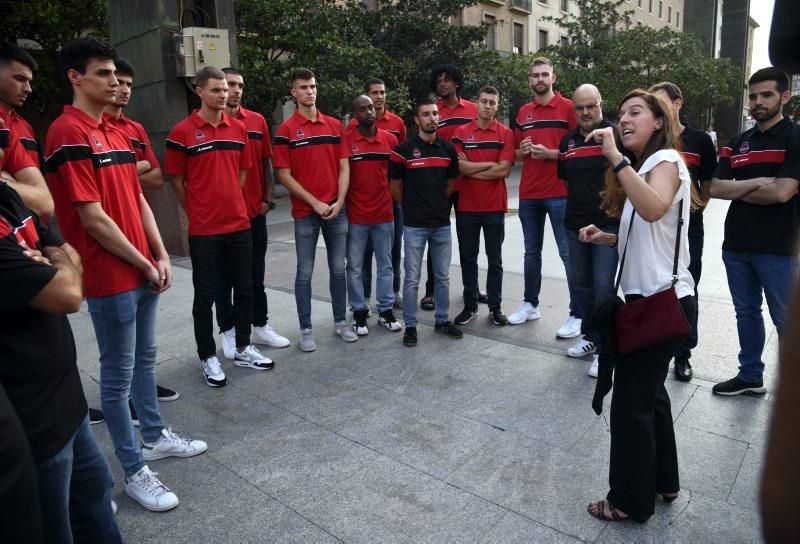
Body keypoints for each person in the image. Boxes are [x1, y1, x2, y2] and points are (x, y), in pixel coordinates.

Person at [48, 38, 205, 512]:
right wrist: (142, 261)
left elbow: (138, 199)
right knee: (116, 380)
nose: (115, 82)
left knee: (145, 361)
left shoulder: (115, 131)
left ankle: (154, 435)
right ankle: (135, 470)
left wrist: (159, 253)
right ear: (76, 77)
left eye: (116, 74)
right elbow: (91, 216)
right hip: (109, 274)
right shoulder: (67, 131)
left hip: (142, 268)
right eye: (103, 74)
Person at [581, 89, 695, 523]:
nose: (624, 120)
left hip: (660, 303)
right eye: (622, 113)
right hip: (650, 302)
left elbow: (652, 209)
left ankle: (629, 500)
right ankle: (665, 481)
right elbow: (652, 233)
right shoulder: (645, 167)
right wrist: (608, 236)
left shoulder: (664, 162)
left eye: (636, 113)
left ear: (659, 123)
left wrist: (615, 157)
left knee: (631, 406)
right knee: (653, 398)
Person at [166, 66, 274, 387]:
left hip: (239, 225)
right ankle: (207, 356)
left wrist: (232, 206)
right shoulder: (181, 133)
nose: (223, 94)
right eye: (216, 90)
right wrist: (196, 212)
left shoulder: (238, 129)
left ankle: (242, 346)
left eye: (225, 89)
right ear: (199, 91)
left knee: (245, 288)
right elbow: (176, 181)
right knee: (205, 297)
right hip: (204, 231)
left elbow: (241, 175)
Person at [709, 67, 800, 396]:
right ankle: (750, 376)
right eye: (753, 96)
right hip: (736, 245)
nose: (758, 102)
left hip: (778, 248)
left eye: (767, 95)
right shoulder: (738, 142)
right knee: (746, 313)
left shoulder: (795, 137)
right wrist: (758, 183)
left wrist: (739, 188)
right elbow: (714, 188)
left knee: (786, 319)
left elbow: (782, 193)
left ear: (784, 97)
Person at [104, 57, 181, 407]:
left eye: (127, 84)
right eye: (113, 80)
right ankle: (129, 401)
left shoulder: (133, 128)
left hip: (140, 228)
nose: (120, 89)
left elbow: (156, 176)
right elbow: (141, 171)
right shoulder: (86, 129)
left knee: (145, 341)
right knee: (119, 343)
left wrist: (120, 172)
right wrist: (137, 166)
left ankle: (144, 391)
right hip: (108, 241)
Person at [274, 68, 356, 351]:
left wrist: (340, 201)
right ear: (293, 93)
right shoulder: (286, 131)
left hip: (336, 209)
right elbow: (284, 175)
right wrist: (315, 202)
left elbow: (345, 166)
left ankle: (340, 323)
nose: (309, 91)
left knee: (338, 269)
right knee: (304, 272)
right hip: (306, 213)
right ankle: (306, 330)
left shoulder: (335, 126)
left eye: (312, 86)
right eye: (303, 87)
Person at [214, 67, 290, 359]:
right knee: (224, 278)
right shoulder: (211, 125)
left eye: (239, 85)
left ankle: (260, 324)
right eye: (229, 85)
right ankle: (229, 330)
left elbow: (265, 162)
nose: (235, 90)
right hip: (223, 218)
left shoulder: (256, 120)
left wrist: (268, 198)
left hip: (254, 213)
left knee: (255, 275)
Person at [649, 82, 717, 382]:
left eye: (660, 102)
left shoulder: (700, 140)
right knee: (657, 289)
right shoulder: (652, 139)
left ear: (678, 103)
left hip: (690, 229)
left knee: (687, 291)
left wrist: (694, 207)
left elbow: (709, 185)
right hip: (657, 228)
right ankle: (655, 348)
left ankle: (683, 355)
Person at [509, 57, 581, 339]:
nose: (540, 79)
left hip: (560, 193)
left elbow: (578, 148)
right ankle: (530, 304)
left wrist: (551, 154)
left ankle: (577, 313)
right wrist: (522, 150)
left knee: (568, 254)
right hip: (529, 194)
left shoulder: (568, 109)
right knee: (531, 253)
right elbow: (514, 154)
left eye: (544, 74)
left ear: (553, 77)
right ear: (530, 80)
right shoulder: (523, 111)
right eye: (535, 75)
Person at [0, 126, 44, 544]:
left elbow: (44, 211)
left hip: (52, 378)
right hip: (26, 389)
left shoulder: (8, 197)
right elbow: (64, 291)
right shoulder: (69, 129)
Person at [390, 98, 463, 347]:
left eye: (435, 113)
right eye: (426, 114)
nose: (432, 118)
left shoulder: (448, 149)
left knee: (442, 277)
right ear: (417, 120)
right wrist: (412, 207)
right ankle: (411, 326)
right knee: (411, 278)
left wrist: (439, 204)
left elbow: (452, 183)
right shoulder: (402, 151)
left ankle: (442, 320)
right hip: (415, 225)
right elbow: (395, 187)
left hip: (441, 223)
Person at [558, 84, 619, 377]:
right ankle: (591, 338)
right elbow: (568, 182)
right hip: (575, 225)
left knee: (604, 288)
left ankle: (607, 347)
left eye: (590, 106)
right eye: (579, 108)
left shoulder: (616, 135)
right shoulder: (567, 141)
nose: (585, 112)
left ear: (600, 104)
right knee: (582, 287)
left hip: (607, 225)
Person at [451, 85, 514, 327]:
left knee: (495, 260)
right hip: (466, 206)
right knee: (468, 258)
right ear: (476, 103)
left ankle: (496, 307)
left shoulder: (505, 134)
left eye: (492, 102)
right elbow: (460, 168)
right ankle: (470, 306)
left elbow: (505, 170)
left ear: (497, 106)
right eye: (484, 101)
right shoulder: (461, 132)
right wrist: (491, 165)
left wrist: (474, 168)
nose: (488, 106)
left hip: (494, 207)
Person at [420, 64, 480, 311]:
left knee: (470, 241)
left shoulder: (474, 110)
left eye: (446, 80)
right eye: (438, 81)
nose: (441, 84)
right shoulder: (434, 112)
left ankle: (473, 288)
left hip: (469, 185)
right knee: (435, 238)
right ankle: (431, 290)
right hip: (440, 185)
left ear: (456, 83)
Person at [342, 95, 402, 335]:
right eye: (362, 109)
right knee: (354, 268)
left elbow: (395, 177)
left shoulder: (389, 140)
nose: (369, 112)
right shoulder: (347, 140)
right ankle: (359, 312)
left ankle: (385, 311)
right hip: (356, 217)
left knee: (386, 265)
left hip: (384, 215)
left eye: (371, 108)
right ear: (355, 115)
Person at [0, 42, 53, 225]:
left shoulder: (25, 126)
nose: (28, 88)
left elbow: (43, 201)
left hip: (34, 230)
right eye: (20, 79)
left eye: (29, 81)